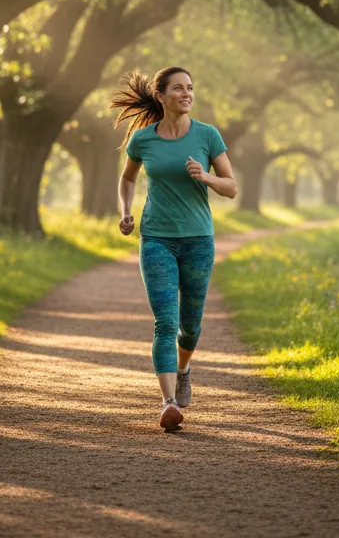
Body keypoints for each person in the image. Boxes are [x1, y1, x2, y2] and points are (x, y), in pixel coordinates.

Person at [110, 66, 238, 430]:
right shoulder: (143, 140)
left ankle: (183, 370)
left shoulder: (208, 135)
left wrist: (206, 176)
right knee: (165, 322)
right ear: (161, 95)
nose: (186, 94)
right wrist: (125, 212)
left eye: (190, 88)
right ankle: (167, 403)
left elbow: (231, 187)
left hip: (198, 240)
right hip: (157, 239)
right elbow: (127, 178)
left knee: (190, 326)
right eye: (178, 88)